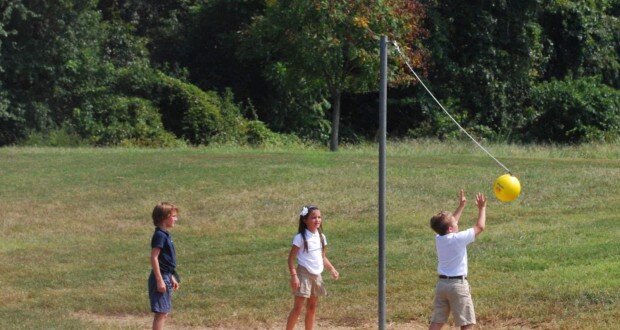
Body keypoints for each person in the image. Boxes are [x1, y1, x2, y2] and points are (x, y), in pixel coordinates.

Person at [429, 190, 486, 330]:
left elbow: (449, 224)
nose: (457, 222)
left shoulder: (439, 238)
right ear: (450, 229)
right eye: (455, 222)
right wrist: (482, 208)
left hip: (442, 285)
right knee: (467, 323)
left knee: (437, 321)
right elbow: (480, 227)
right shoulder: (457, 239)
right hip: (457, 286)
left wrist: (461, 206)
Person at [286, 205, 339, 330]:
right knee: (298, 308)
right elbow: (291, 259)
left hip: (317, 275)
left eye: (319, 217)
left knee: (312, 307)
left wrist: (331, 269)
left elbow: (322, 257)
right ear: (305, 220)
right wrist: (294, 276)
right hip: (303, 274)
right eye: (313, 217)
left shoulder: (321, 237)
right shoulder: (300, 238)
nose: (317, 220)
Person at [148, 202, 180, 330]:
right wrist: (160, 280)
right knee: (160, 313)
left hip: (166, 275)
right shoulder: (160, 235)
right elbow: (154, 257)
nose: (176, 219)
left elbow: (164, 260)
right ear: (164, 218)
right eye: (173, 216)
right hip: (160, 278)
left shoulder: (165, 234)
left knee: (164, 312)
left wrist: (171, 275)